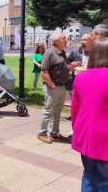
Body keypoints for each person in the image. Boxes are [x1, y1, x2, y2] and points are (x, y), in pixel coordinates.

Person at [71, 38, 108, 192]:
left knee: (89, 176)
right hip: (104, 137)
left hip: (86, 136)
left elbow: (75, 109)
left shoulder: (81, 77)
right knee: (105, 181)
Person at [38, 33, 80, 144]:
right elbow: (44, 72)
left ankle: (54, 132)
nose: (67, 40)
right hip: (53, 86)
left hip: (61, 86)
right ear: (56, 41)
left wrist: (72, 65)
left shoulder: (62, 53)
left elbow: (67, 68)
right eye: (64, 38)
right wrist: (52, 85)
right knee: (49, 110)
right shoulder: (49, 53)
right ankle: (41, 133)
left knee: (57, 111)